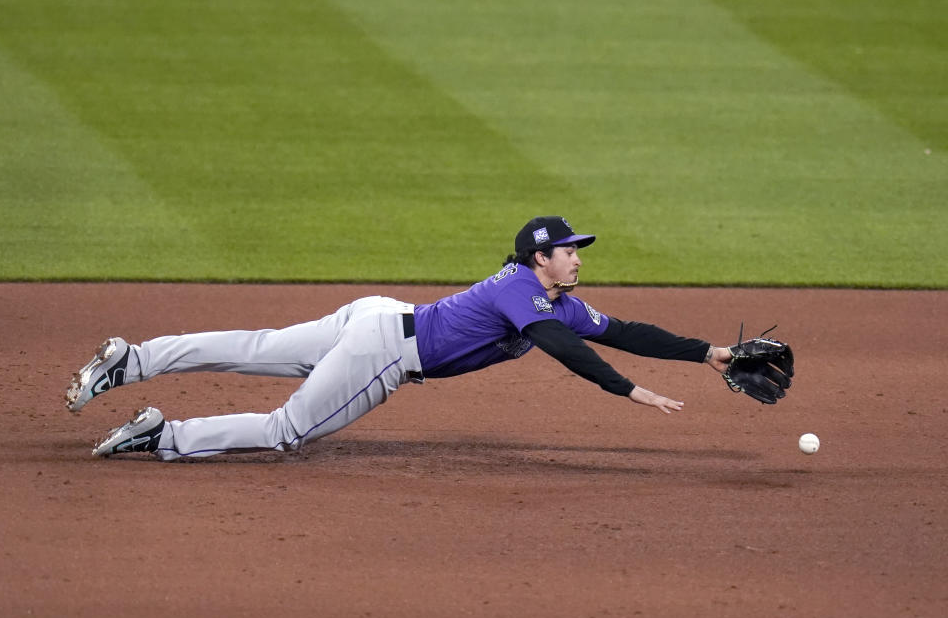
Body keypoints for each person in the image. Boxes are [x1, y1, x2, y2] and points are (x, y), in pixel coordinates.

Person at [66, 216, 735, 460]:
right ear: (538, 258)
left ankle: (133, 360)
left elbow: (624, 331)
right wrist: (628, 391)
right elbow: (567, 350)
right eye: (567, 251)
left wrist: (708, 353)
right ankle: (165, 435)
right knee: (285, 431)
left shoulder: (555, 300)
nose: (578, 258)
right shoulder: (518, 292)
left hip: (378, 316)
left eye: (577, 251)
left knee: (257, 346)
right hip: (383, 349)